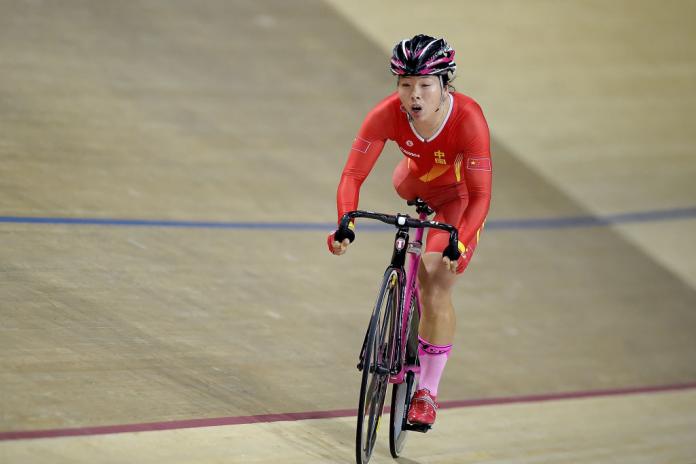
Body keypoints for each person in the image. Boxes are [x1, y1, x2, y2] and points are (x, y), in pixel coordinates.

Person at [327, 34, 492, 426]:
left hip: (458, 200)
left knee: (435, 279)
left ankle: (426, 393)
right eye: (405, 85)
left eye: (424, 85)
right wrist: (344, 223)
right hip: (413, 185)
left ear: (444, 85)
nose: (414, 96)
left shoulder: (469, 118)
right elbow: (352, 174)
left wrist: (461, 243)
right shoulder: (386, 113)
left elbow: (482, 194)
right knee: (408, 227)